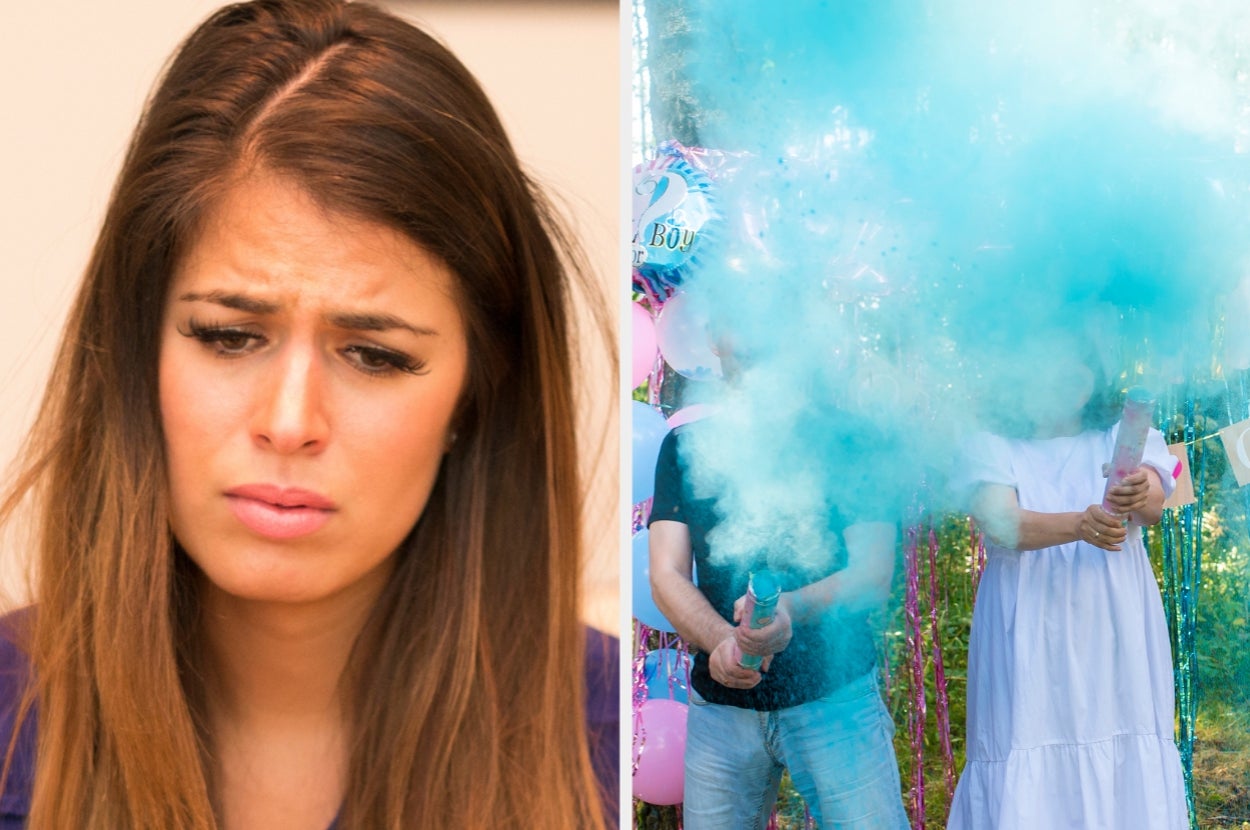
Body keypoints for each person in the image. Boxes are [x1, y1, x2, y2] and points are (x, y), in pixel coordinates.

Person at [0, 2, 617, 828]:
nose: (290, 423)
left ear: (478, 391)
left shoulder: (635, 752)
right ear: (134, 353)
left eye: (375, 355)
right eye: (228, 336)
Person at [647, 343, 910, 829]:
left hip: (836, 700)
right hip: (720, 711)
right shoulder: (685, 444)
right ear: (717, 338)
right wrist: (723, 640)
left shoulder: (854, 441)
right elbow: (665, 574)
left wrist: (790, 609)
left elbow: (872, 575)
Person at [947, 353, 1187, 829]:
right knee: (1029, 732)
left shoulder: (1123, 434)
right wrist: (1080, 524)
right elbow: (1002, 525)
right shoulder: (989, 443)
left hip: (1113, 616)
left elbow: (1157, 506)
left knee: (1122, 727)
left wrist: (1140, 491)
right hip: (1029, 619)